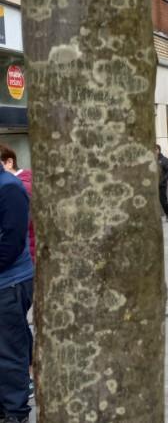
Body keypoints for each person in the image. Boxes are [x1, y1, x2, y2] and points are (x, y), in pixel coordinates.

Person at [0, 144, 33, 423]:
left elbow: (11, 242)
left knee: (9, 349)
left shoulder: (9, 188)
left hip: (9, 283)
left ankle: (16, 412)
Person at [155, 145, 168, 222]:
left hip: (161, 184)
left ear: (159, 150)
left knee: (163, 201)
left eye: (156, 149)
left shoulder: (164, 160)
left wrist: (163, 180)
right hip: (152, 185)